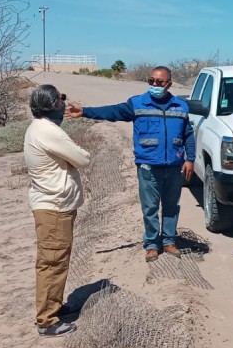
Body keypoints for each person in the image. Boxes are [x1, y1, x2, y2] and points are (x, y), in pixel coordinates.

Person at [66, 66, 195, 262]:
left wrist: (190, 159)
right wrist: (84, 111)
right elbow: (112, 111)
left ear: (168, 84)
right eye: (151, 81)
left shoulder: (181, 107)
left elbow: (188, 135)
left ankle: (169, 241)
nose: (154, 85)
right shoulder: (137, 103)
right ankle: (152, 244)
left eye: (159, 82)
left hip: (174, 166)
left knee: (171, 206)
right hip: (148, 167)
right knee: (150, 207)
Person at [24, 85, 91, 336]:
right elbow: (83, 159)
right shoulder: (48, 131)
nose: (64, 105)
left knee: (57, 260)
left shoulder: (40, 129)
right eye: (60, 101)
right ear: (52, 106)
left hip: (54, 204)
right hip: (54, 206)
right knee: (52, 262)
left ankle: (54, 305)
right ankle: (47, 320)